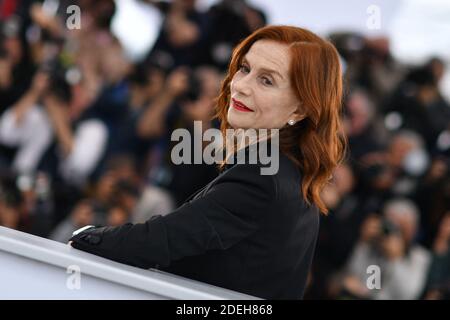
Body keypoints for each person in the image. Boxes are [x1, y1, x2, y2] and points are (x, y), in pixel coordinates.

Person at [69, 25, 346, 299]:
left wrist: (84, 234)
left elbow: (159, 241)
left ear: (300, 109)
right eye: (245, 68)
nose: (241, 86)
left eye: (267, 80)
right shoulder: (291, 175)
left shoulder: (263, 177)